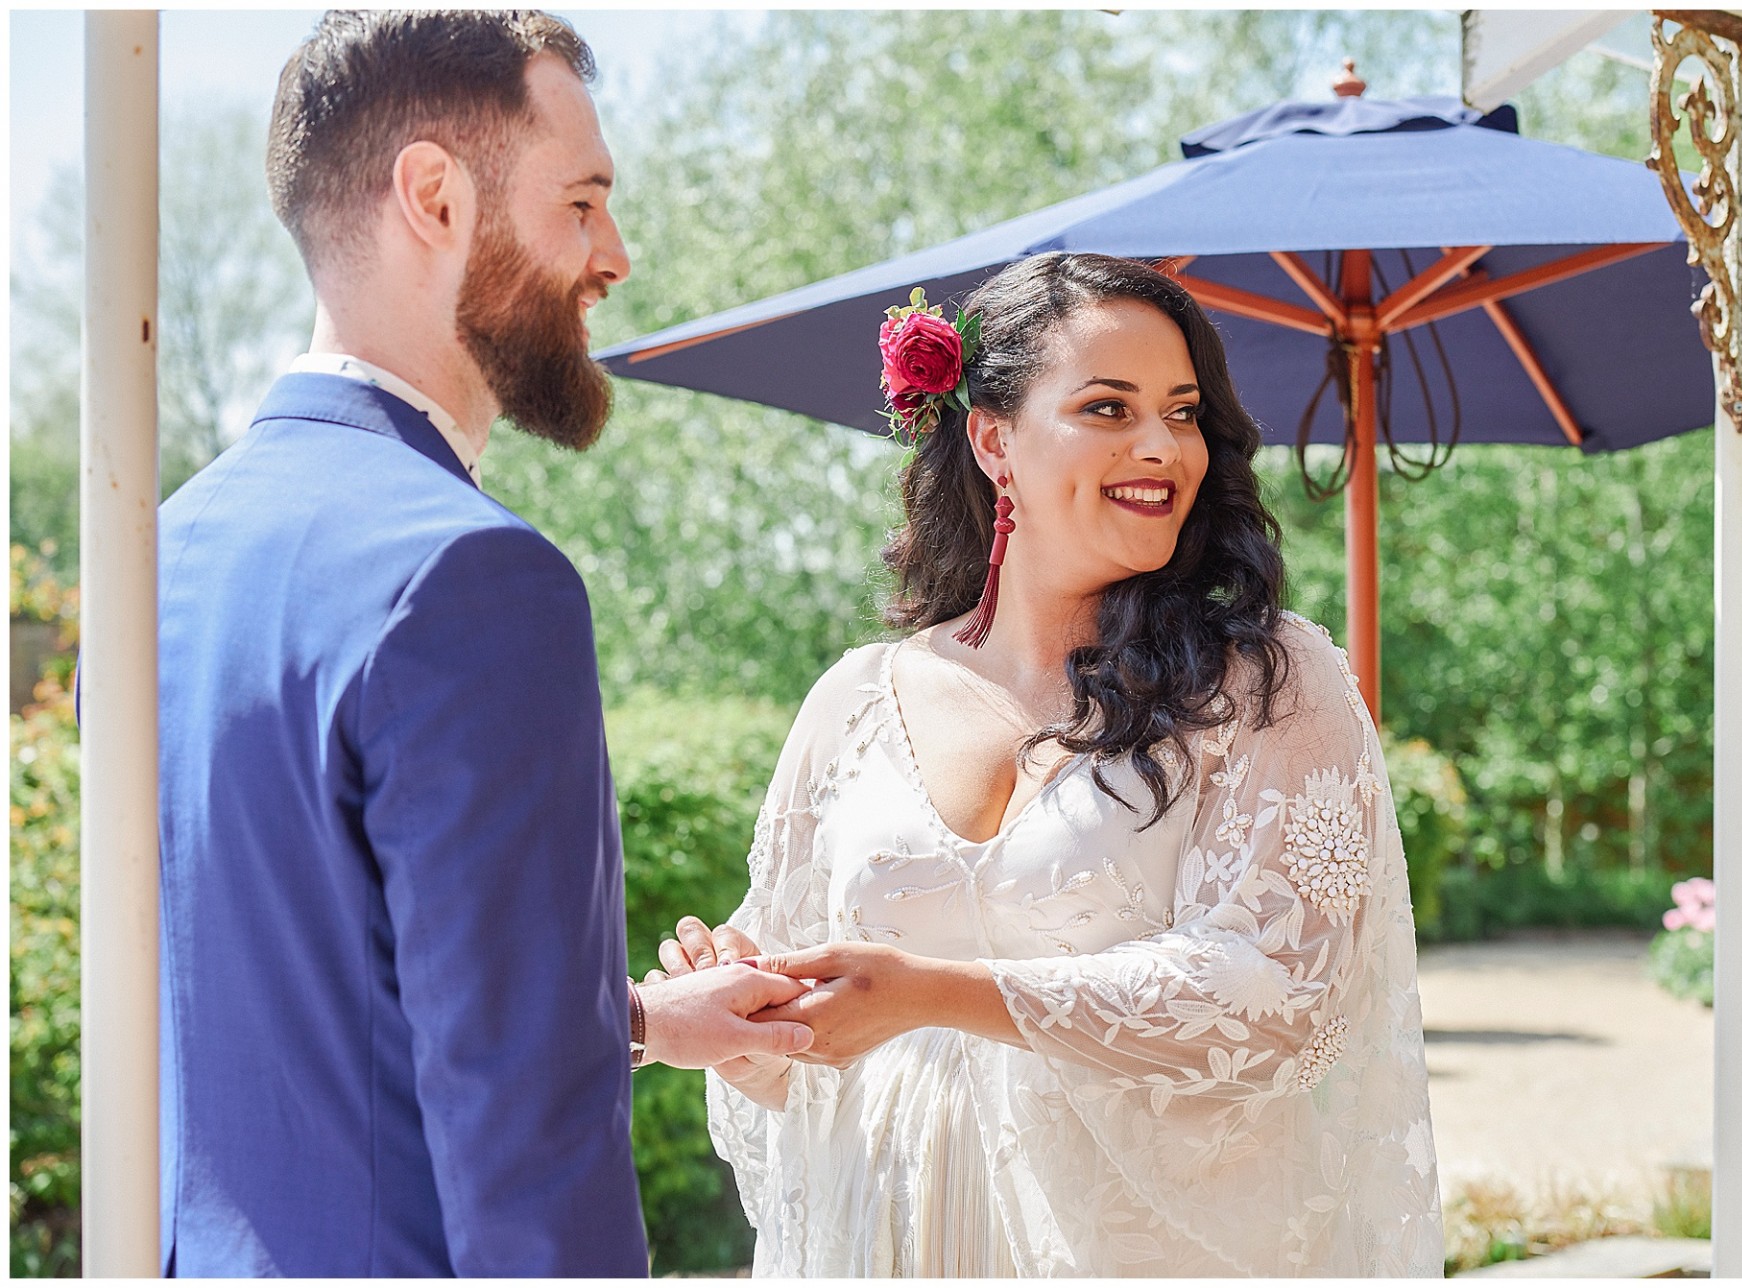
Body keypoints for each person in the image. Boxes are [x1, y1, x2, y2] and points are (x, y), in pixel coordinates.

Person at [156, 11, 809, 1276]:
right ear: (435, 197)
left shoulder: (162, 553)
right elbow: (529, 1171)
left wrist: (618, 1019)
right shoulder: (474, 579)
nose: (613, 254)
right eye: (581, 202)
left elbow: (284, 998)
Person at [656, 253, 1444, 1275]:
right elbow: (797, 1065)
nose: (1163, 445)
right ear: (992, 440)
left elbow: (1277, 995)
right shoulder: (849, 700)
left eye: (1183, 411)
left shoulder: (1267, 679)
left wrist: (934, 989)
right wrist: (752, 1019)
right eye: (1109, 408)